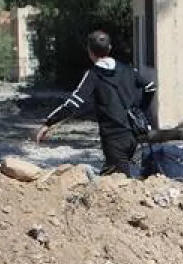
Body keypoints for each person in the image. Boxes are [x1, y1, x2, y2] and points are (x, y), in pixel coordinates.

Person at [35, 30, 156, 176]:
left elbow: (74, 103)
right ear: (109, 48)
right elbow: (150, 87)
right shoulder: (127, 69)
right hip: (133, 135)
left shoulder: (93, 75)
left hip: (113, 138)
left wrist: (48, 123)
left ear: (89, 51)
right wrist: (141, 108)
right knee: (113, 177)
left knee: (117, 182)